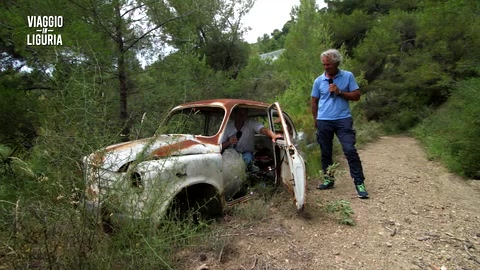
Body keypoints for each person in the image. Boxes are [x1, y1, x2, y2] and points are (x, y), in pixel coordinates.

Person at [310, 49, 369, 199]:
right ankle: (328, 180)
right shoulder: (318, 81)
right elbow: (314, 101)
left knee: (349, 150)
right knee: (325, 152)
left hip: (343, 119)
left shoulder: (348, 76)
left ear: (336, 63)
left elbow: (356, 96)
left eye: (328, 64)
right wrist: (316, 119)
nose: (325, 67)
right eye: (323, 64)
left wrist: (340, 92)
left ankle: (359, 183)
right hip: (324, 120)